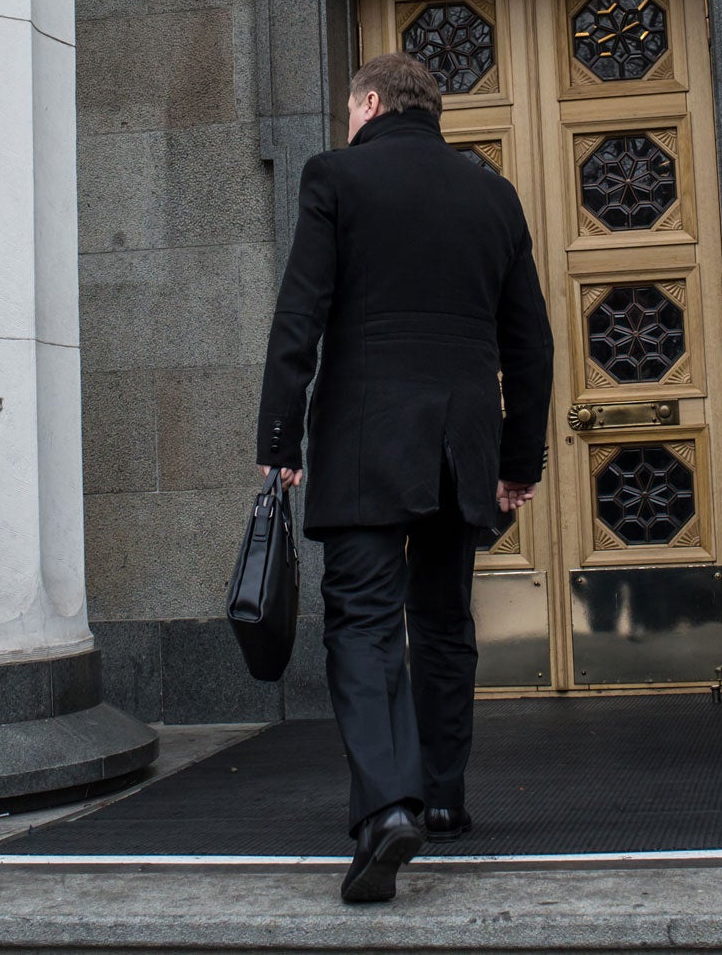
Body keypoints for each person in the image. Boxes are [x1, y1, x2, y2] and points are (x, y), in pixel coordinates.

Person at [255, 51, 554, 903]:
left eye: (351, 110)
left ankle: (388, 806)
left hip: (363, 442)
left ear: (372, 102)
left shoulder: (336, 178)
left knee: (362, 622)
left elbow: (298, 317)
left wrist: (280, 438)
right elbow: (531, 344)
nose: (347, 125)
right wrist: (517, 461)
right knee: (445, 619)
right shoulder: (492, 195)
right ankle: (444, 797)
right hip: (461, 445)